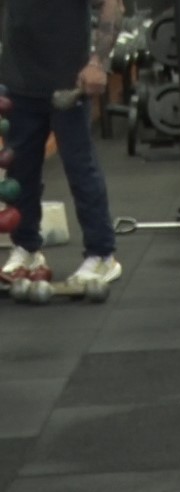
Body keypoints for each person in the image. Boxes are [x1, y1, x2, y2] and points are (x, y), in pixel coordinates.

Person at [0, 0, 125, 285]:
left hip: (68, 82)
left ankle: (102, 255)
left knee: (80, 168)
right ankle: (27, 249)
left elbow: (113, 5)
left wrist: (98, 63)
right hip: (18, 80)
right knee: (20, 172)